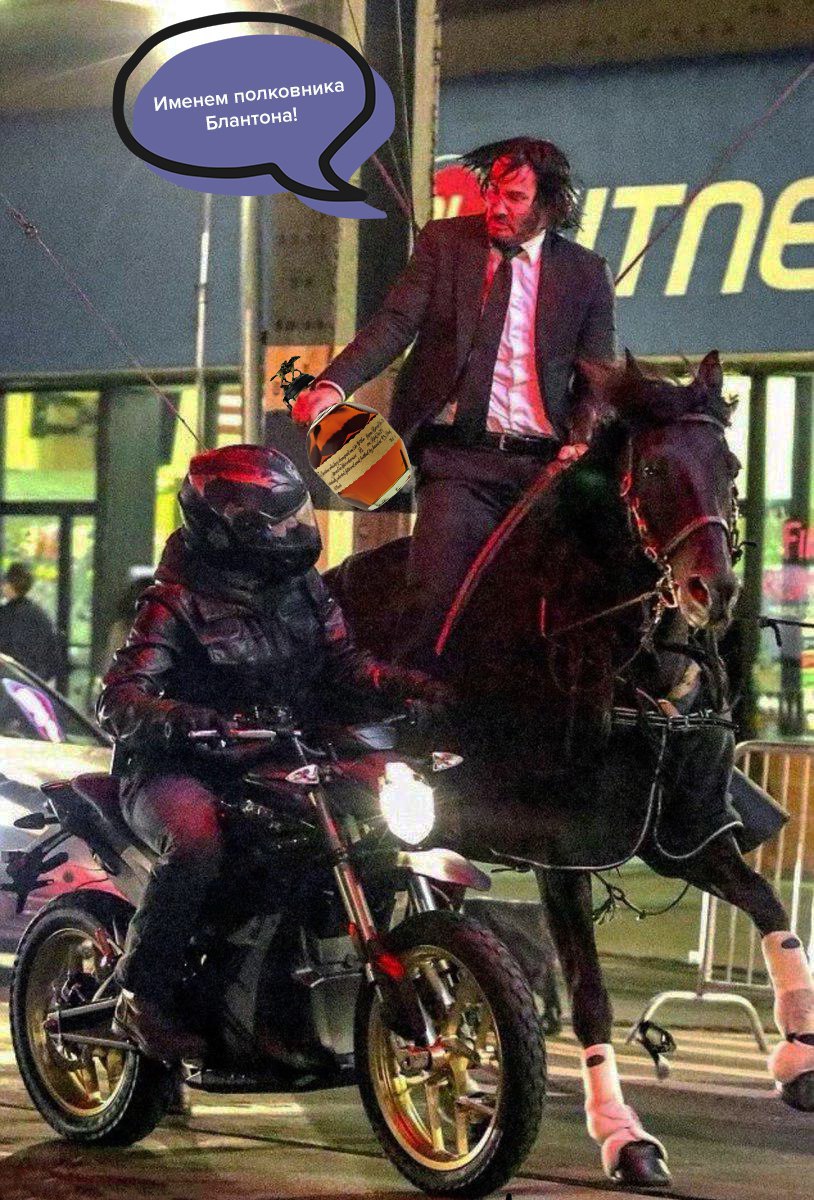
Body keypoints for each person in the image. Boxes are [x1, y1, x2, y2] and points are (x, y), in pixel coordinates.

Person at [97, 444, 449, 1062]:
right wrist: (192, 719)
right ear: (230, 529)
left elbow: (345, 664)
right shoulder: (173, 601)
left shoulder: (303, 588)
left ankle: (295, 989)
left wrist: (406, 686)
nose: (295, 533)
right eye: (280, 524)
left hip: (278, 753)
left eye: (297, 518)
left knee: (363, 817)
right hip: (177, 766)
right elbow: (120, 698)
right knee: (198, 844)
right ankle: (141, 997)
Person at [293, 136, 617, 672]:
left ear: (549, 205)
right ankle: (418, 703)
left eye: (515, 197)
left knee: (561, 607)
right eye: (492, 192)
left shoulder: (585, 273)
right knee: (435, 597)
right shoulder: (445, 243)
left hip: (544, 471)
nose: (497, 207)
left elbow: (598, 378)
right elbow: (394, 323)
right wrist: (333, 385)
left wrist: (582, 439)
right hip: (458, 462)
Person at [0, 562, 62, 684]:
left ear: (10, 585)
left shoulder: (4, 616)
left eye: (4, 583)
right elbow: (54, 658)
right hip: (33, 683)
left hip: (8, 682)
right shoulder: (40, 615)